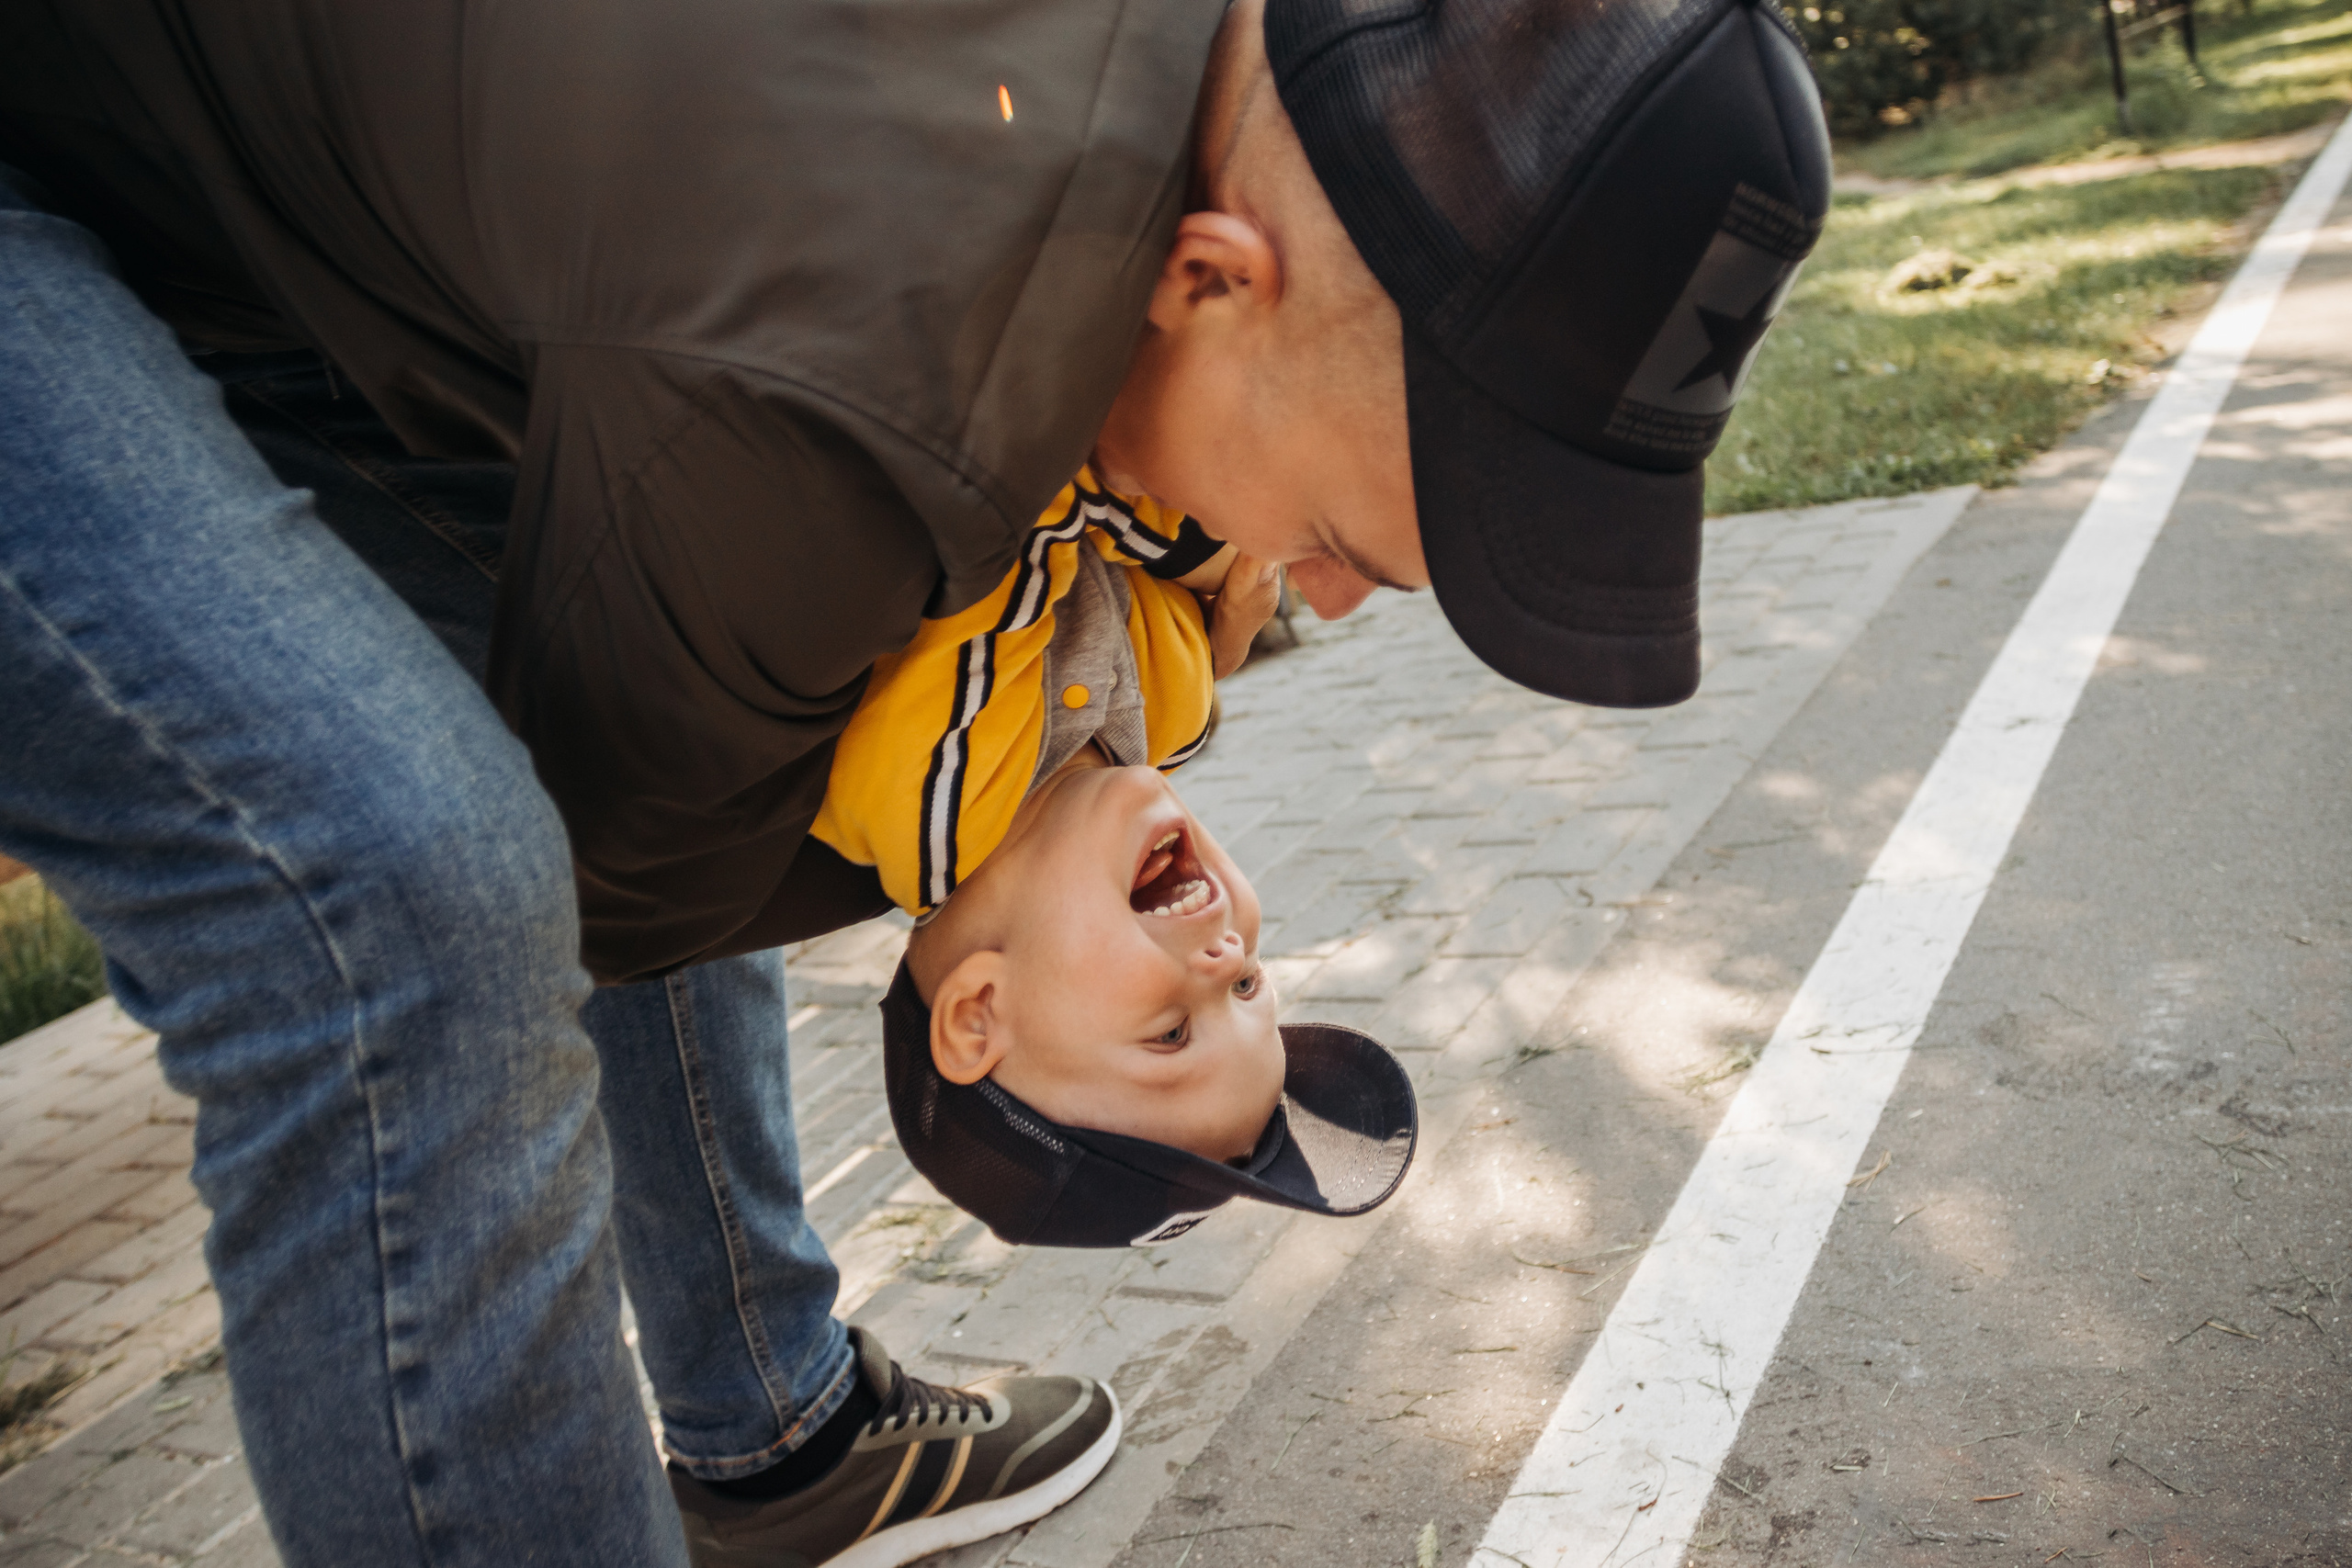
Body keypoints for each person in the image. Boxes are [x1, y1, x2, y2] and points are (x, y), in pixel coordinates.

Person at [0, 0, 1827, 1559]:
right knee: (414, 895)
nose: (1324, 594)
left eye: (1181, 1031)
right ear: (1206, 276)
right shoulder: (874, 380)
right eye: (1350, 529)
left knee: (675, 703)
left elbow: (671, 776)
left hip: (261, 202)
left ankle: (776, 1428)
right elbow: (613, 882)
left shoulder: (1104, 212)